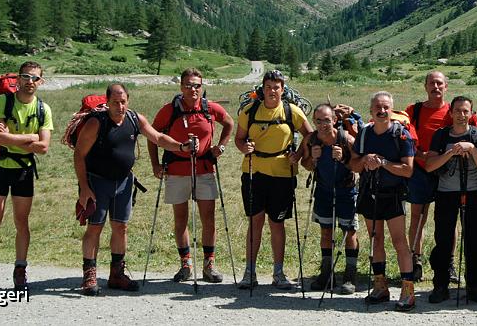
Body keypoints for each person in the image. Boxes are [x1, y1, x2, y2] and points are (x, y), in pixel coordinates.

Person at [75, 83, 184, 295]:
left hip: (124, 183)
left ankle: (117, 274)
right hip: (97, 183)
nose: (120, 106)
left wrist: (181, 146)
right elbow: (79, 154)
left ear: (128, 100)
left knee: (120, 227)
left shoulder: (135, 119)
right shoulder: (96, 122)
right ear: (107, 102)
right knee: (95, 228)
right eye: (115, 102)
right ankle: (89, 275)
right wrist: (84, 188)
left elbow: (158, 138)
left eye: (123, 101)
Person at [148, 68, 234, 284]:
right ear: (181, 87)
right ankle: (185, 263)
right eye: (188, 85)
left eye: (197, 85)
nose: (193, 89)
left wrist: (220, 147)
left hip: (204, 169)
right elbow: (153, 136)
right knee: (181, 219)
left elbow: (229, 123)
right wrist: (155, 164)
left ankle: (208, 265)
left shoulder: (209, 108)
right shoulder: (169, 111)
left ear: (201, 87)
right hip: (177, 171)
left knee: (208, 219)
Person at [0, 61, 53, 292]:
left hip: (23, 171)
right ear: (18, 79)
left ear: (41, 82)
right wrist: (30, 137)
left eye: (35, 78)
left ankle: (20, 271)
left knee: (22, 222)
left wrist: (15, 138)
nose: (30, 82)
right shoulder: (3, 102)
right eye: (26, 77)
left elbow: (44, 147)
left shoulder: (43, 109)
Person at [235, 70, 313, 291]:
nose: (272, 91)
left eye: (276, 87)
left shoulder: (292, 111)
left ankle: (278, 273)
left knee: (277, 224)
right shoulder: (249, 111)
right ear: (262, 88)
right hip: (254, 173)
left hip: (282, 175)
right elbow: (239, 139)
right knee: (255, 222)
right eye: (268, 87)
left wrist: (298, 155)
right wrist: (244, 147)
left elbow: (309, 134)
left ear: (282, 89)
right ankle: (250, 273)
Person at [404, 70, 477, 282]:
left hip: (450, 170)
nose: (435, 87)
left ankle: (449, 263)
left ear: (446, 87)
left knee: (450, 219)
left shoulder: (454, 110)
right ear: (425, 86)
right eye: (431, 84)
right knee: (418, 216)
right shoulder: (414, 110)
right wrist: (419, 154)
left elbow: (473, 133)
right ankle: (415, 260)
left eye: (439, 84)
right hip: (420, 169)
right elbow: (406, 138)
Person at [349, 91, 416, 311]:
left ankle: (408, 290)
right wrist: (365, 160)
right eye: (378, 107)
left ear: (392, 109)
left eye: (386, 107)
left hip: (394, 194)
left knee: (399, 241)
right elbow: (354, 165)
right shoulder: (365, 133)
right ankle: (380, 287)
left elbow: (408, 170)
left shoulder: (401, 134)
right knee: (375, 239)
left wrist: (383, 162)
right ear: (371, 111)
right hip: (370, 192)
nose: (382, 110)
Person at [423, 96, 477, 304]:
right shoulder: (441, 135)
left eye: (466, 111)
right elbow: (429, 165)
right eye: (458, 111)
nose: (462, 115)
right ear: (450, 113)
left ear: (471, 114)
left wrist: (471, 149)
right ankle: (440, 285)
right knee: (443, 240)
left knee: (475, 241)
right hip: (445, 193)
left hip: (471, 192)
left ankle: (475, 286)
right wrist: (450, 153)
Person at [300, 103, 359, 294]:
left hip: (346, 191)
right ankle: (327, 273)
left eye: (327, 120)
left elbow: (358, 166)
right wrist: (313, 159)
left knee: (349, 232)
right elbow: (306, 165)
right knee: (326, 232)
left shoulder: (346, 139)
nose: (323, 124)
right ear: (314, 121)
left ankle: (350, 275)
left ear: (334, 120)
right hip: (323, 191)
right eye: (318, 120)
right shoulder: (311, 140)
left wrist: (343, 159)